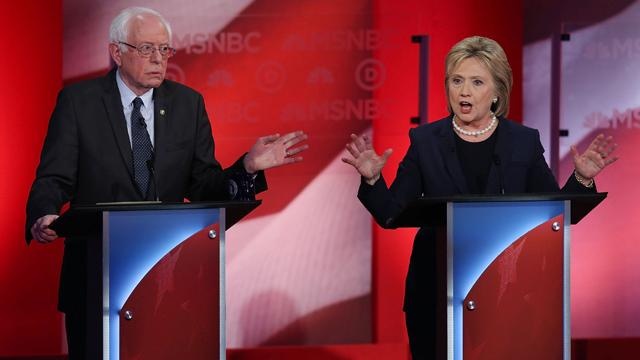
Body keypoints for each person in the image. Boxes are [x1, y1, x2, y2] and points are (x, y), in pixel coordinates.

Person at [25, 6, 307, 359]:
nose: (159, 59)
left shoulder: (188, 105)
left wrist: (247, 167)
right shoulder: (79, 103)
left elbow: (203, 185)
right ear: (117, 51)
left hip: (169, 282)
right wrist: (44, 213)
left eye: (164, 50)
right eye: (147, 49)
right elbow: (54, 176)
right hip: (95, 279)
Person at [342, 36, 618, 359]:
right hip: (435, 292)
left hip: (506, 294)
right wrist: (373, 179)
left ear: (497, 92)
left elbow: (552, 214)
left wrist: (582, 178)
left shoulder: (523, 142)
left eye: (476, 82)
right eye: (456, 81)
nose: (464, 91)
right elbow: (391, 214)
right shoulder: (425, 141)